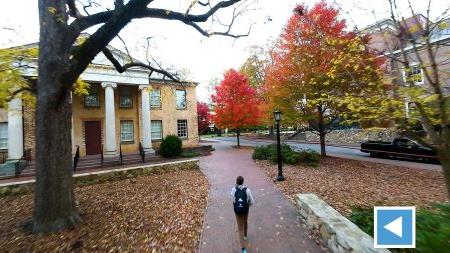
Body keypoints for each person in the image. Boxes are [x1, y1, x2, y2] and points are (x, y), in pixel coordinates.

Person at [231, 176, 255, 253]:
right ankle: (245, 236)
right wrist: (247, 205)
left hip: (237, 211)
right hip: (245, 210)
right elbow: (252, 202)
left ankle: (243, 249)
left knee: (240, 227)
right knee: (245, 221)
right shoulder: (247, 190)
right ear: (243, 182)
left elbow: (232, 196)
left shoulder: (234, 189)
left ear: (236, 182)